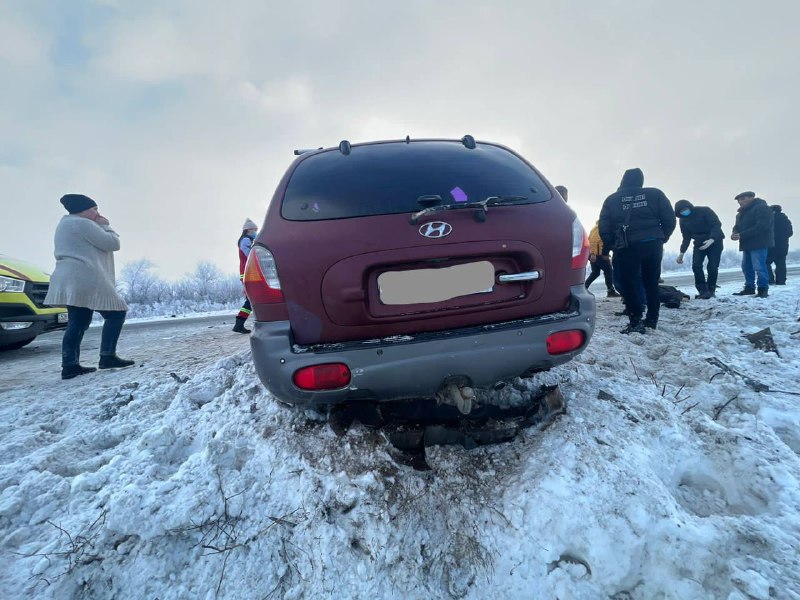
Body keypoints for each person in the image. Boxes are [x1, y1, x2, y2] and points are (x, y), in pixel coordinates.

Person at [44, 194, 134, 380]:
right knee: (117, 312)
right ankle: (107, 357)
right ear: (82, 210)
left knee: (78, 321)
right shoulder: (82, 223)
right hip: (85, 276)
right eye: (93, 209)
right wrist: (106, 225)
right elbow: (112, 243)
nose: (97, 213)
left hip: (71, 277)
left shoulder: (65, 224)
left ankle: (70, 365)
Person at [599, 168, 675, 334]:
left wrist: (612, 245)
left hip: (627, 246)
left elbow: (604, 226)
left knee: (630, 283)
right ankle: (652, 319)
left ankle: (635, 320)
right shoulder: (655, 194)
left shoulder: (612, 199)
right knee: (651, 282)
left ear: (623, 180)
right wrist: (661, 237)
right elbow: (669, 219)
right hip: (652, 244)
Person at [674, 199, 725, 299]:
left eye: (685, 209)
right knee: (696, 265)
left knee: (712, 267)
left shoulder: (704, 211)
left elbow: (716, 224)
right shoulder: (683, 220)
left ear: (690, 206)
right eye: (681, 211)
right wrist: (681, 252)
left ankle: (711, 290)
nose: (684, 212)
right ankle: (702, 291)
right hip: (699, 243)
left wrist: (712, 239)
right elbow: (686, 237)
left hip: (715, 241)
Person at [731, 191, 774, 298]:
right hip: (746, 244)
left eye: (742, 199)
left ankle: (763, 289)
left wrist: (742, 234)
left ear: (751, 198)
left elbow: (762, 226)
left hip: (759, 243)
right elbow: (737, 226)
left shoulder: (762, 208)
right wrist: (734, 233)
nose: (740, 202)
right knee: (746, 267)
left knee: (759, 266)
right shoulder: (740, 213)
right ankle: (749, 288)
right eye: (738, 200)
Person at [233, 218, 259, 333]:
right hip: (248, 273)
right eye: (255, 230)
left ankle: (239, 324)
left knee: (251, 299)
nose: (256, 232)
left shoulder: (247, 240)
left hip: (248, 273)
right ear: (248, 230)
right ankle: (239, 324)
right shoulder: (245, 240)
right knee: (250, 300)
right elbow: (249, 254)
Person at [585, 220, 619, 296]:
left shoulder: (595, 228)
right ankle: (610, 291)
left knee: (595, 273)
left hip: (596, 255)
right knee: (609, 272)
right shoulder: (599, 228)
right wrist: (593, 254)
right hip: (599, 255)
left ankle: (584, 287)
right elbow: (594, 241)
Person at [767, 205, 793, 285]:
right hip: (783, 246)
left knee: (766, 263)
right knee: (781, 264)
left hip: (771, 245)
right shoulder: (785, 219)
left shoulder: (769, 219)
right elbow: (790, 232)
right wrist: (783, 238)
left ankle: (770, 280)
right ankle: (781, 281)